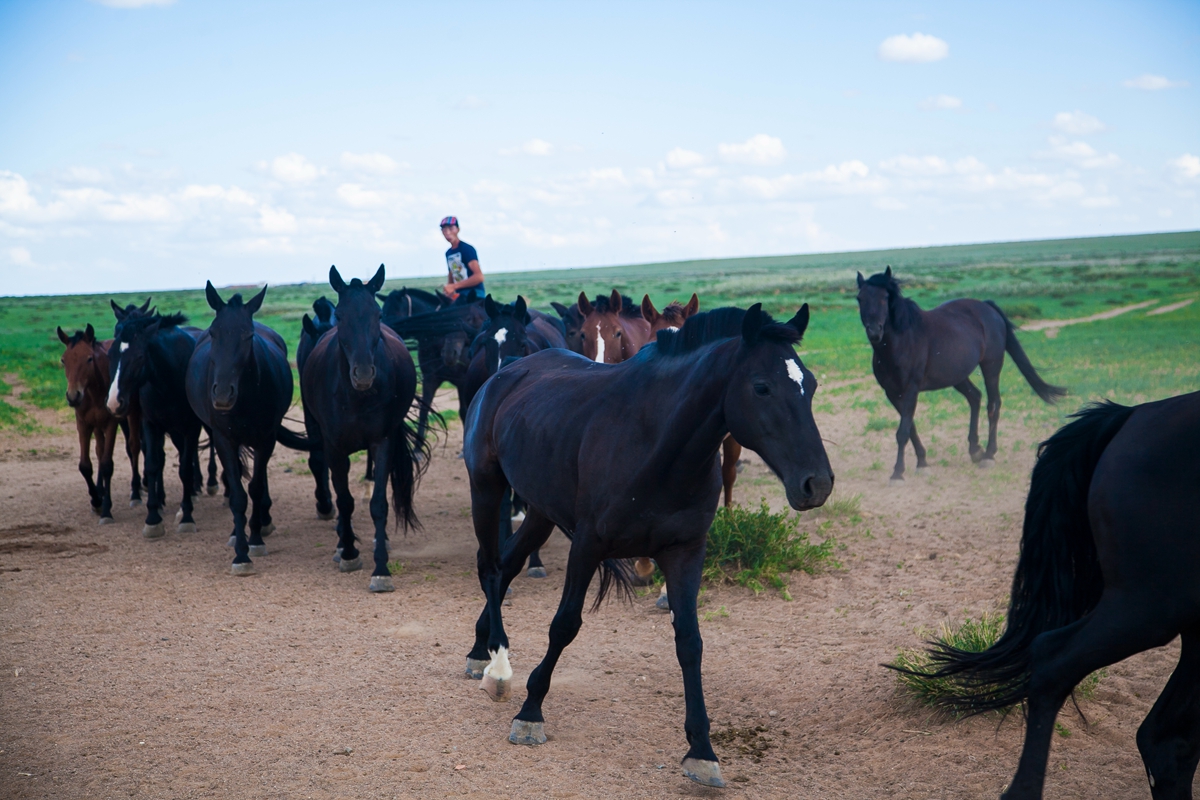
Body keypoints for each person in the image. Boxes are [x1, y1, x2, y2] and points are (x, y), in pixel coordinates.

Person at [440, 216, 486, 304]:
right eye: (444, 230)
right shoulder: (448, 253)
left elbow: (479, 277)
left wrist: (454, 286)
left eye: (450, 228)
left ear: (458, 229)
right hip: (459, 294)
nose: (447, 232)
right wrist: (448, 289)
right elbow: (452, 274)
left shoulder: (466, 249)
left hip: (475, 293)